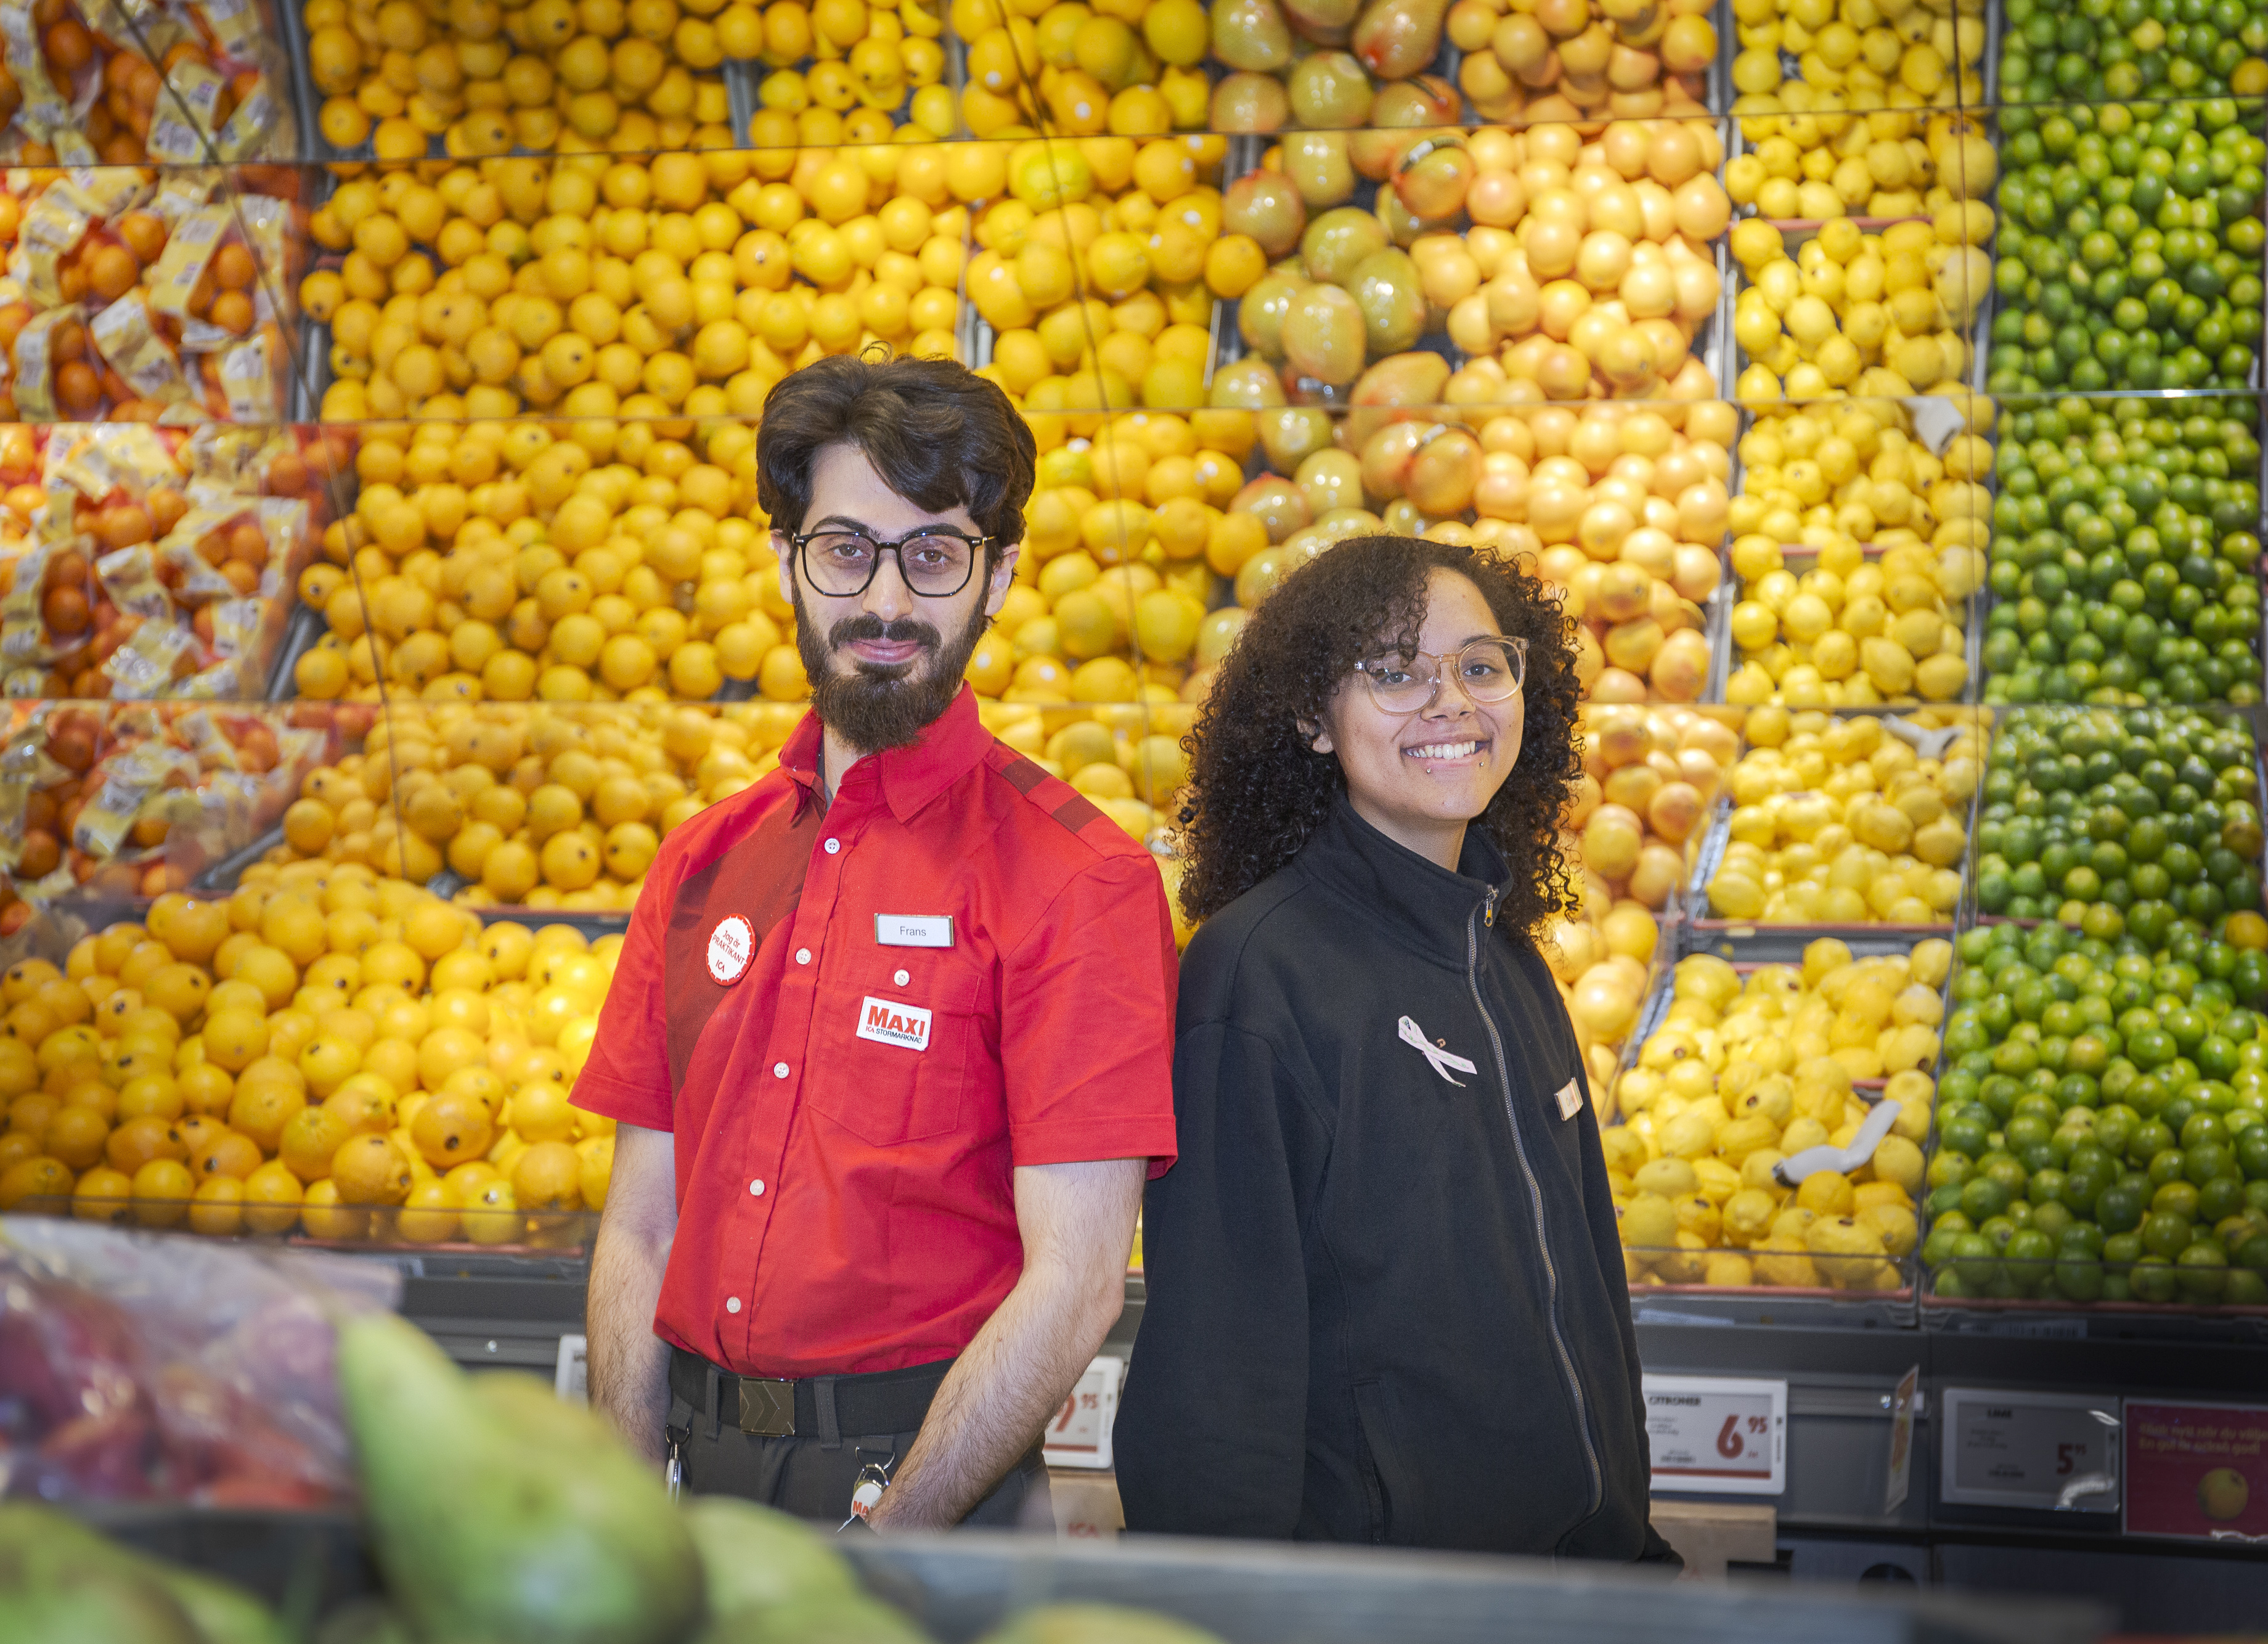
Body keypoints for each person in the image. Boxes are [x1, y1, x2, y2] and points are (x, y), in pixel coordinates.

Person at [573, 353, 1177, 1531]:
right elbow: (640, 1226)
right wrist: (624, 1505)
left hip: (934, 1480)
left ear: (998, 577)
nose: (887, 602)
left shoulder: (1081, 881)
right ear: (786, 562)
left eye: (935, 555)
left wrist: (893, 1538)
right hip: (691, 1473)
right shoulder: (700, 863)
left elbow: (1076, 1283)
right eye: (847, 549)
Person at [1114, 534, 1671, 1561]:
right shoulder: (1257, 974)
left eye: (1481, 666)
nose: (1452, 702)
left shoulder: (1508, 957)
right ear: (1310, 718)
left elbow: (1590, 1286)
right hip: (1384, 1601)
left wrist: (1631, 1543)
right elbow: (1216, 1365)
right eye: (1397, 673)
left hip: (1572, 1590)